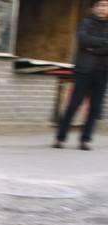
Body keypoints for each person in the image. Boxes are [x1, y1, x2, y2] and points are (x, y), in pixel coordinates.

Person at [54, 0, 108, 151]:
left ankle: (85, 140)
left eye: (106, 6)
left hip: (102, 72)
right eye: (100, 5)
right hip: (84, 71)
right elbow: (83, 40)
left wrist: (93, 47)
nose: (103, 9)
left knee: (94, 108)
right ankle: (60, 137)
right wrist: (102, 43)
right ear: (94, 8)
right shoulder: (86, 23)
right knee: (73, 105)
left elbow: (92, 45)